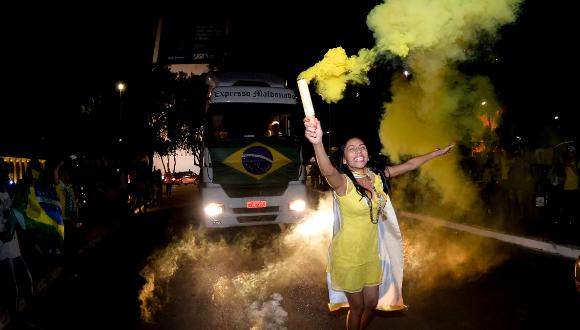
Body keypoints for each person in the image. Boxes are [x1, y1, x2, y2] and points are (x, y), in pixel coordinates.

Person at [304, 116, 454, 330]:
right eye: (352, 149)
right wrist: (317, 142)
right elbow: (328, 170)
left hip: (370, 255)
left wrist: (438, 153)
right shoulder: (342, 183)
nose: (358, 151)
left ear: (367, 154)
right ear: (345, 159)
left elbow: (410, 164)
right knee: (356, 308)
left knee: (372, 304)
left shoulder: (378, 177)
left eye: (362, 147)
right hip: (348, 257)